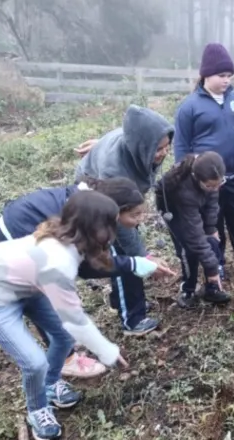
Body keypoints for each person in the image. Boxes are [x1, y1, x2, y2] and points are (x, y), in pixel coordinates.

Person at [0, 191, 163, 440]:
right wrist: (108, 352)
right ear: (97, 227)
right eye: (111, 223)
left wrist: (137, 264)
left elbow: (94, 267)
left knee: (62, 339)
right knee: (34, 363)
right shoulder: (58, 261)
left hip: (25, 286)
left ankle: (51, 384)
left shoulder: (70, 237)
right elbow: (75, 320)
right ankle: (38, 410)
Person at [0, 177, 176, 379]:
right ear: (115, 212)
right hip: (17, 228)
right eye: (135, 214)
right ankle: (64, 361)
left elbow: (97, 260)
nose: (140, 219)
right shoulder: (76, 232)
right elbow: (88, 269)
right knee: (44, 301)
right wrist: (103, 348)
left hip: (39, 220)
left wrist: (138, 263)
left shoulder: (94, 211)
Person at [74, 105, 174, 333]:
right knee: (122, 254)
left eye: (167, 147)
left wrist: (98, 143)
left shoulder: (138, 144)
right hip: (94, 196)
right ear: (142, 147)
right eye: (158, 149)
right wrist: (144, 257)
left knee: (130, 249)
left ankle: (123, 301)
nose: (164, 153)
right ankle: (133, 318)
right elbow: (121, 224)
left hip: (119, 196)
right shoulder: (114, 170)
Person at [174, 42, 234, 279]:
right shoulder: (189, 107)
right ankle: (217, 262)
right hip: (207, 180)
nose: (226, 80)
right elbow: (181, 145)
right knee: (213, 222)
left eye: (229, 75)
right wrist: (184, 175)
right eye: (221, 75)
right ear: (206, 75)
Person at [154, 152, 231, 308]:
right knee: (188, 250)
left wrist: (210, 228)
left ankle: (211, 288)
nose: (215, 188)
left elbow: (212, 203)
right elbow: (195, 236)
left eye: (218, 184)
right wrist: (211, 269)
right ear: (197, 178)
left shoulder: (212, 178)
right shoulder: (185, 191)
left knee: (213, 241)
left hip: (196, 202)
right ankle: (188, 290)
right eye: (210, 186)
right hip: (174, 211)